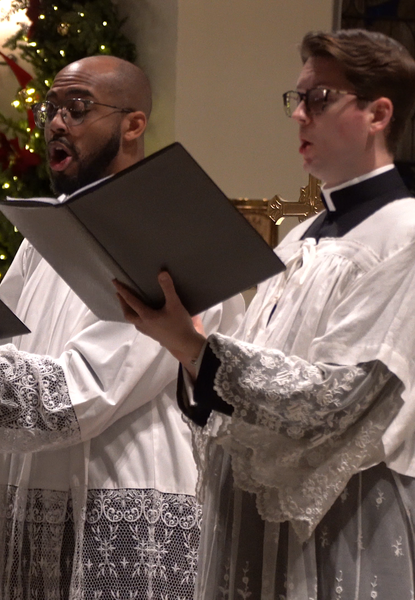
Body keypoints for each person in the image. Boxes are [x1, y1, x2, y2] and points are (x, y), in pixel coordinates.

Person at [0, 55, 244, 599]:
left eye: (78, 108)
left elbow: (85, 392)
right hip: (33, 495)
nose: (57, 123)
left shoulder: (163, 231)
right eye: (50, 109)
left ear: (133, 124)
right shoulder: (48, 232)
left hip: (125, 505)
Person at [115, 29, 415, 599]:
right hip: (252, 518)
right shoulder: (298, 240)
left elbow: (338, 400)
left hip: (346, 521)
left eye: (320, 98)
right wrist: (190, 342)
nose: (299, 115)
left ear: (378, 113)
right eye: (296, 99)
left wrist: (197, 350)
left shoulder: (403, 235)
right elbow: (243, 381)